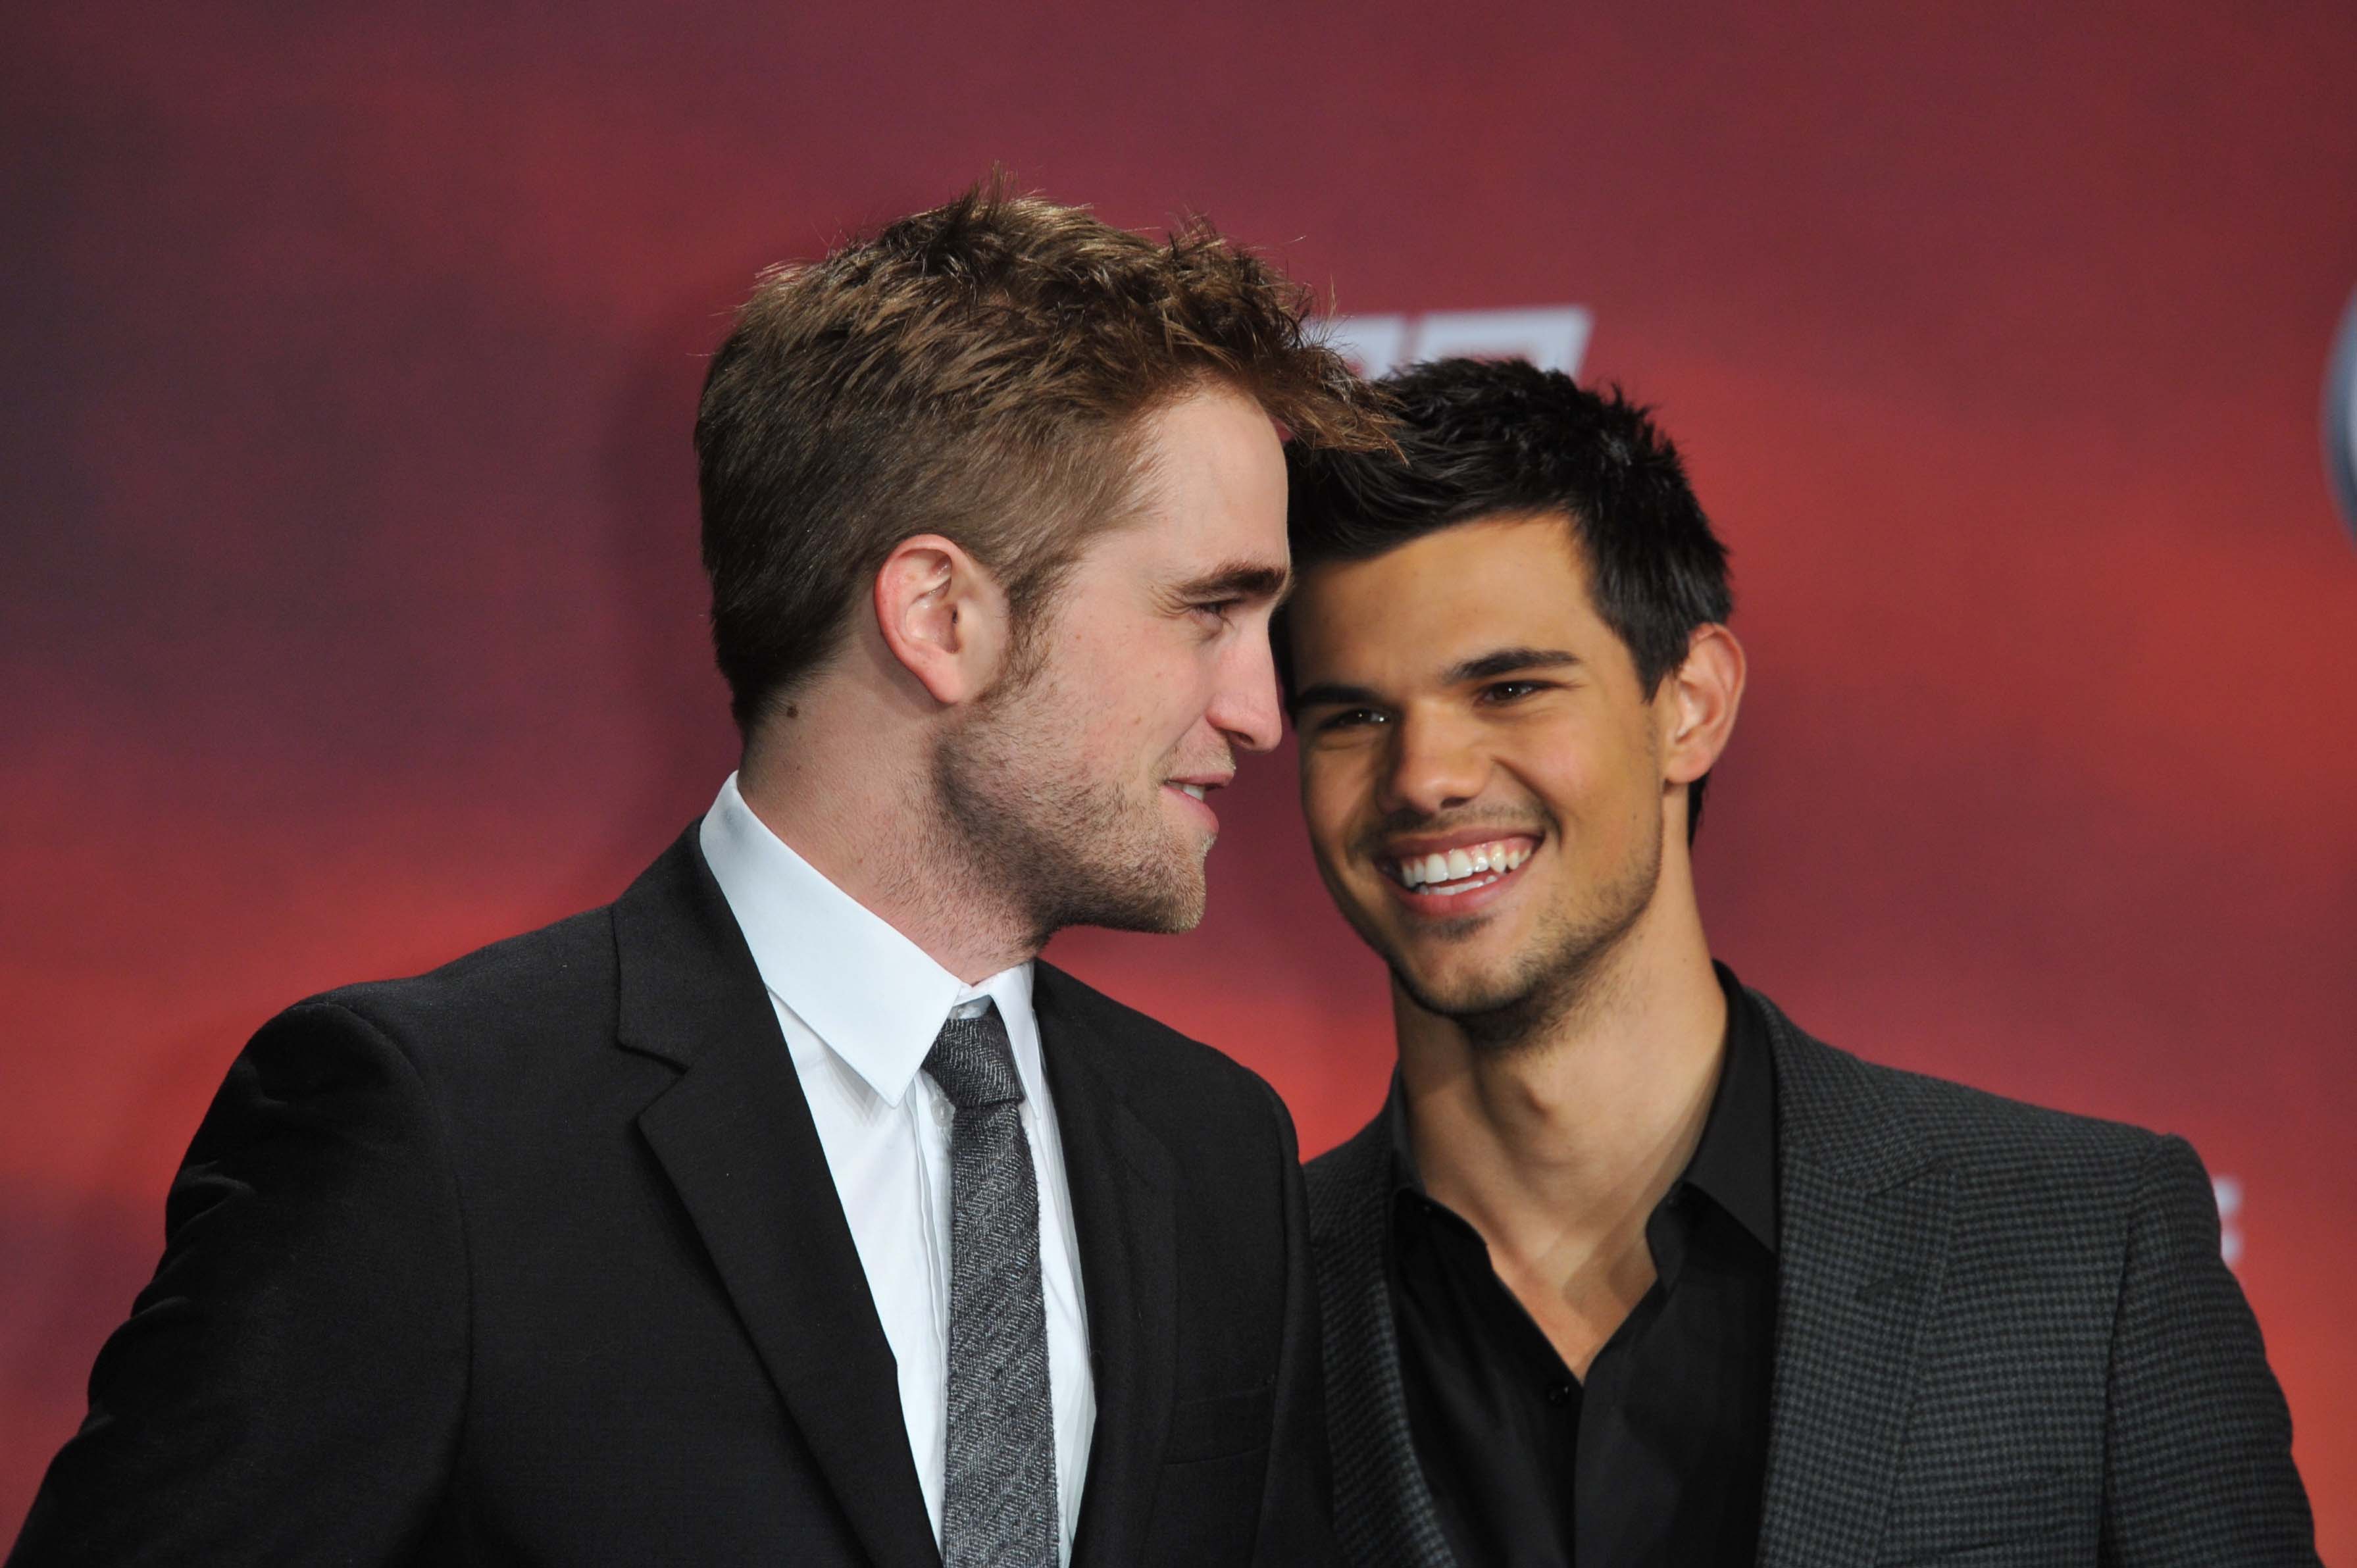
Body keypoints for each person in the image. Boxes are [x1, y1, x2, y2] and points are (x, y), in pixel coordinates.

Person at [10, 184, 1390, 1568]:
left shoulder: (1213, 1151)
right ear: (940, 616)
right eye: (1209, 611)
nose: (1260, 712)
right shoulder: (439, 1137)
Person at [1279, 358, 2317, 1567]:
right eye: (1353, 717)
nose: (1423, 777)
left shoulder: (2085, 1250)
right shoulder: (1224, 1310)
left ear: (1691, 704)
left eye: (1508, 688)